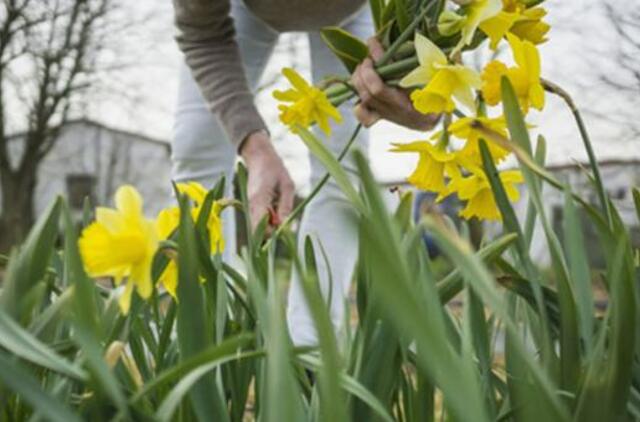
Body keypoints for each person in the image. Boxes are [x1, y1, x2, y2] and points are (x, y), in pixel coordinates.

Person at [172, 0, 438, 346]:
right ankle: (201, 338)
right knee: (197, 145)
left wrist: (430, 101)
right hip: (242, 12)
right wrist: (254, 147)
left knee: (341, 163)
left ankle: (311, 349)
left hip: (357, 11)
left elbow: (443, 25)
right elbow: (203, 37)